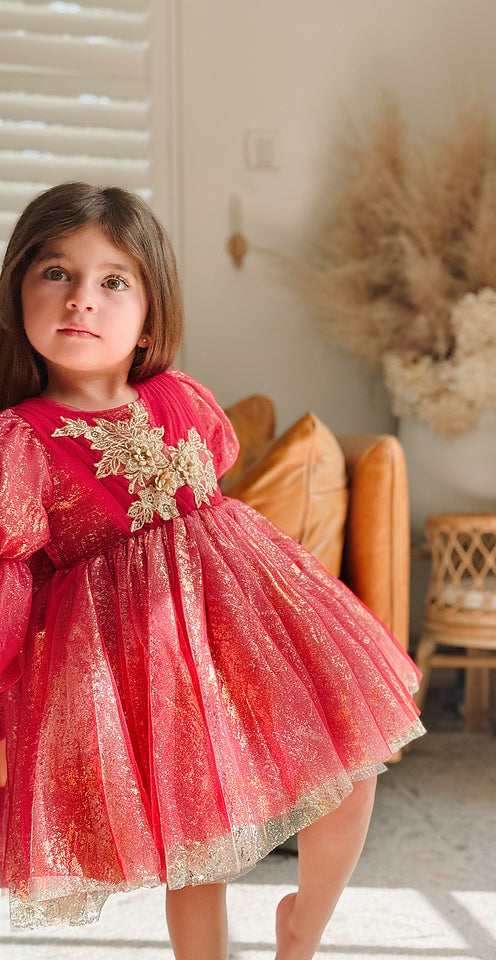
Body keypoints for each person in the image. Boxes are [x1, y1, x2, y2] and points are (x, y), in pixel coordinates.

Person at [0, 182, 424, 959]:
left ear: (150, 308)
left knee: (356, 762)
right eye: (55, 272)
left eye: (113, 280)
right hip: (137, 661)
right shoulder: (20, 440)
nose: (82, 300)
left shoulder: (181, 398)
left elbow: (214, 496)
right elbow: (12, 578)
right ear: (18, 289)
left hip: (245, 614)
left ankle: (303, 930)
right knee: (197, 846)